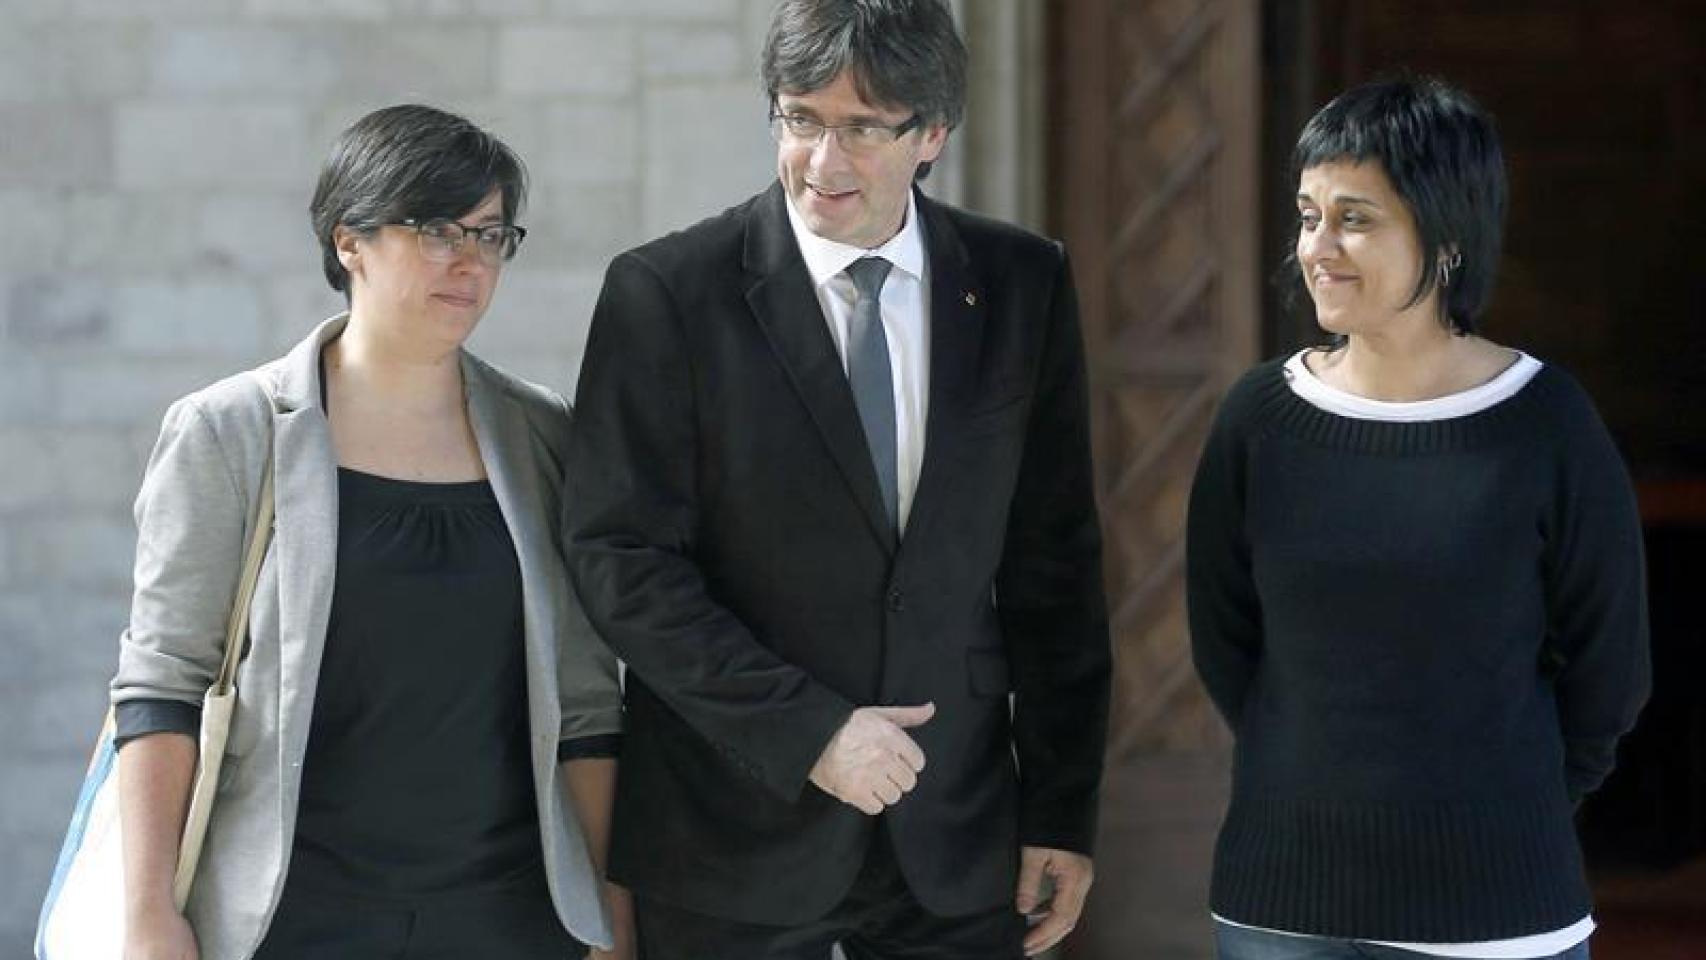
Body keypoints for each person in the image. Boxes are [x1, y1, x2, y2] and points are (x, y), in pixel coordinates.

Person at [562, 1, 1112, 957]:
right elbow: (621, 559)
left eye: (862, 128)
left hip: (954, 831)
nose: (823, 161)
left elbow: (1053, 562)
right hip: (733, 827)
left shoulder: (1022, 283)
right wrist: (809, 731)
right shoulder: (667, 293)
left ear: (933, 132)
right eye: (801, 119)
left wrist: (1062, 809)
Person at [111, 104, 631, 960]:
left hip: (510, 918)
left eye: (491, 235)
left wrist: (612, 920)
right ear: (349, 240)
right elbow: (164, 685)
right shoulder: (230, 433)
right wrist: (146, 915)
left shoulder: (543, 436)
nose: (469, 261)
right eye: (437, 231)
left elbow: (586, 710)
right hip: (291, 917)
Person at [1187, 76, 1650, 960]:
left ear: (1446, 239)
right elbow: (1226, 641)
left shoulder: (1546, 423)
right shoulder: (1258, 420)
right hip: (1283, 909)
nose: (1318, 248)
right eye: (1308, 216)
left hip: (1498, 915)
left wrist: (1508, 809)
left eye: (1354, 219)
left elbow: (1611, 670)